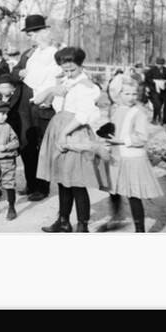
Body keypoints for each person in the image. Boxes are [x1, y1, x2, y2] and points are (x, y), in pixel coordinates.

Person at [37, 46, 109, 233]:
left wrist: (64, 134)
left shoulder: (86, 86)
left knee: (77, 181)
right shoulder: (65, 81)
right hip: (59, 126)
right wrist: (53, 88)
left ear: (80, 65)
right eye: (65, 70)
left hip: (74, 131)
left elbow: (83, 115)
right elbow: (38, 100)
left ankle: (82, 226)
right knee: (63, 179)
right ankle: (63, 221)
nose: (68, 73)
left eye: (72, 70)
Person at [97, 77, 163, 232]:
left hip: (131, 157)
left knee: (133, 194)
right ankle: (116, 218)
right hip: (116, 156)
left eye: (134, 94)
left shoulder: (138, 112)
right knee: (114, 190)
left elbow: (142, 137)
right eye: (127, 93)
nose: (131, 97)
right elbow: (115, 129)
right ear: (118, 94)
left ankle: (140, 230)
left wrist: (120, 141)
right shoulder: (116, 109)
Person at [16, 14, 61, 201]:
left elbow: (55, 79)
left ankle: (42, 187)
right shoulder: (33, 53)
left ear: (42, 33)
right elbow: (24, 73)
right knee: (27, 145)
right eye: (29, 35)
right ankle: (31, 183)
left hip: (44, 104)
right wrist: (22, 73)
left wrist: (49, 97)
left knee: (43, 146)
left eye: (32, 34)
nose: (30, 38)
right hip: (28, 102)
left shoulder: (54, 54)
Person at [145, 57, 166, 125]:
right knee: (158, 104)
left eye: (161, 64)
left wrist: (164, 82)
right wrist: (155, 82)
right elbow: (147, 79)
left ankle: (154, 119)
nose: (160, 66)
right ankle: (159, 118)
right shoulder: (151, 70)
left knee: (159, 105)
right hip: (154, 90)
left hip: (163, 90)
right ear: (156, 64)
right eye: (158, 64)